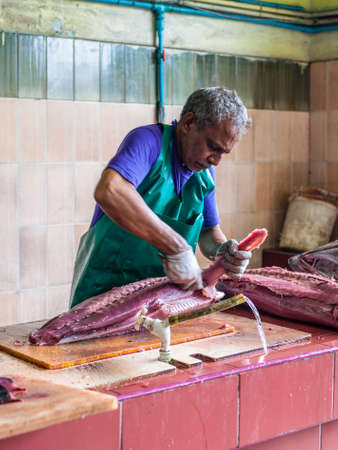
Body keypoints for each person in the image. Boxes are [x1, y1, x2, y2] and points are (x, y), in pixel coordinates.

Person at [69, 87, 252, 308]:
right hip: (104, 295)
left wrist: (223, 251)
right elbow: (110, 190)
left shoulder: (204, 173)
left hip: (159, 302)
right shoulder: (148, 141)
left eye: (223, 153)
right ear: (188, 122)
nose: (216, 161)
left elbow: (208, 233)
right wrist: (177, 247)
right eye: (212, 147)